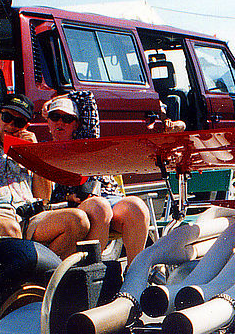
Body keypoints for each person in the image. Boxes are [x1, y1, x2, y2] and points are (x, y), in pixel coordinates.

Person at [0, 93, 90, 259]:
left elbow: (44, 196)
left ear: (26, 126)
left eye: (19, 122)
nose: (12, 125)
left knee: (78, 220)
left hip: (28, 216)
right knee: (10, 229)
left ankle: (42, 275)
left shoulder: (27, 149)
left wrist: (35, 154)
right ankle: (26, 277)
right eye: (7, 117)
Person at [35, 93, 152, 262]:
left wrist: (52, 101)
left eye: (67, 118)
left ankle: (134, 274)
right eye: (54, 116)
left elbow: (87, 96)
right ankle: (92, 274)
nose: (60, 122)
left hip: (109, 196)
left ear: (76, 124)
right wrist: (68, 198)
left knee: (137, 207)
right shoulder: (44, 152)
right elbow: (46, 199)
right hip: (81, 205)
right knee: (99, 206)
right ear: (48, 122)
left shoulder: (86, 139)